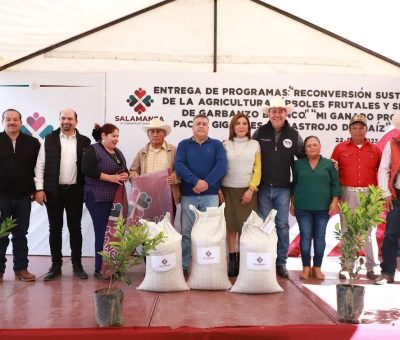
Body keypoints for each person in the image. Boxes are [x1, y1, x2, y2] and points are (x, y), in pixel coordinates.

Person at [34, 108, 91, 281]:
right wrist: (39, 189)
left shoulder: (84, 141)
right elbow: (40, 165)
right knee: (55, 229)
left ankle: (77, 265)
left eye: (70, 119)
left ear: (76, 121)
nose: (66, 121)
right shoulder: (49, 139)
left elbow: (91, 162)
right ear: (59, 120)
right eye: (63, 118)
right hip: (53, 191)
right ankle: (55, 265)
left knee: (75, 229)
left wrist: (98, 134)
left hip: (75, 191)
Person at [253, 96, 304, 278]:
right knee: (264, 226)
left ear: (285, 113)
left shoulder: (294, 134)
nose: (277, 114)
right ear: (269, 114)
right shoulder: (259, 132)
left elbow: (305, 159)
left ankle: (281, 262)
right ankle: (265, 260)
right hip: (263, 187)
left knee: (282, 226)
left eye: (280, 111)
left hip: (284, 188)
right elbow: (251, 156)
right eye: (273, 111)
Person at [331, 114, 382, 280]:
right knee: (347, 230)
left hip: (369, 194)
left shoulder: (375, 149)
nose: (358, 130)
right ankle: (347, 266)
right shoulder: (340, 148)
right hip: (348, 192)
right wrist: (335, 195)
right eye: (354, 127)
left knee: (369, 231)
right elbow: (332, 172)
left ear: (366, 129)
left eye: (361, 127)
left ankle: (373, 268)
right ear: (349, 129)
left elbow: (382, 172)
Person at [175, 114, 227, 273]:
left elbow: (221, 166)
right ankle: (184, 266)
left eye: (204, 123)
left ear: (208, 127)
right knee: (187, 233)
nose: (201, 126)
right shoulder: (184, 145)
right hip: (189, 195)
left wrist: (206, 183)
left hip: (210, 196)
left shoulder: (217, 145)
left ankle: (207, 266)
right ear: (192, 126)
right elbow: (179, 165)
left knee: (209, 234)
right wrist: (195, 181)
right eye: (198, 123)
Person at [290, 136, 341, 280]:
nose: (312, 147)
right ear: (304, 150)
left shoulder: (329, 164)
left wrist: (334, 201)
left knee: (320, 237)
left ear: (320, 146)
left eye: (315, 145)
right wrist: (292, 203)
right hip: (302, 207)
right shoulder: (297, 165)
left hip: (323, 207)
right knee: (305, 236)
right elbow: (293, 185)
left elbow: (335, 184)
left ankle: (317, 267)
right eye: (309, 146)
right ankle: (306, 267)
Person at [81, 123, 128, 278]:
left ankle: (114, 266)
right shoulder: (92, 150)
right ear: (103, 136)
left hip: (116, 198)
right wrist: (111, 178)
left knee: (116, 232)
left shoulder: (117, 152)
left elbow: (124, 168)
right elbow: (87, 170)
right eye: (113, 136)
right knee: (103, 232)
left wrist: (125, 175)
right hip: (97, 197)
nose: (116, 139)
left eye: (118, 136)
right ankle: (100, 268)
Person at [0, 109, 40, 282]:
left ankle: (21, 269)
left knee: (20, 234)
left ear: (21, 122)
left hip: (24, 197)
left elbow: (38, 169)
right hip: (1, 198)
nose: (12, 122)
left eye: (15, 119)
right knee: (0, 235)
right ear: (3, 122)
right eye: (8, 119)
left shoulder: (33, 143)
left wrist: (38, 189)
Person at [219, 113, 261, 277]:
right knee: (230, 227)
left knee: (245, 228)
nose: (242, 126)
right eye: (238, 123)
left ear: (249, 127)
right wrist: (218, 189)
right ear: (233, 127)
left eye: (245, 123)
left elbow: (258, 169)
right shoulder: (225, 145)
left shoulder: (255, 144)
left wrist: (251, 189)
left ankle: (244, 260)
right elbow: (220, 168)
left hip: (247, 191)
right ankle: (232, 260)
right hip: (228, 190)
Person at [129, 118, 180, 212]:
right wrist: (133, 175)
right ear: (148, 134)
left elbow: (181, 170)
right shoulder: (142, 152)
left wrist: (175, 177)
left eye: (158, 131)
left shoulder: (174, 150)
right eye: (152, 131)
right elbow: (133, 170)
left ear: (164, 134)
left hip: (167, 195)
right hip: (146, 195)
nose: (155, 134)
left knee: (166, 224)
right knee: (146, 224)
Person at [375, 113, 400, 285]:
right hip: (397, 195)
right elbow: (383, 169)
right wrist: (386, 193)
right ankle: (387, 273)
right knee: (391, 234)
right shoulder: (392, 144)